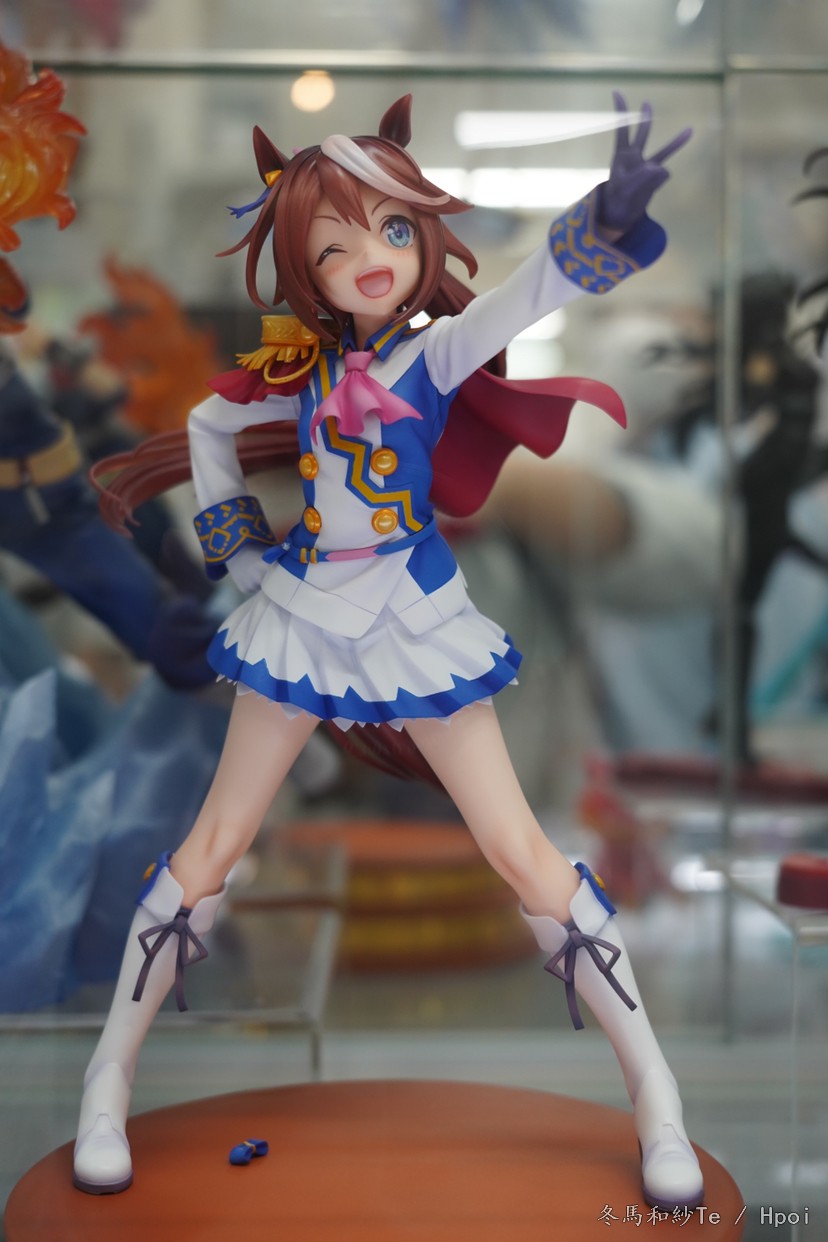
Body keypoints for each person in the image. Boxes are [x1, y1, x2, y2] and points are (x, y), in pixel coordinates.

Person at [73, 92, 703, 1212]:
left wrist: (600, 223)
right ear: (304, 271)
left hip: (415, 619)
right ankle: (106, 1080)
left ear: (423, 238)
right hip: (305, 614)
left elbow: (525, 294)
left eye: (393, 229)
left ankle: (657, 1091)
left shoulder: (435, 354)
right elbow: (211, 427)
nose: (370, 258)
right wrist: (239, 551)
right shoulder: (301, 374)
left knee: (522, 852)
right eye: (335, 244)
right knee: (212, 845)